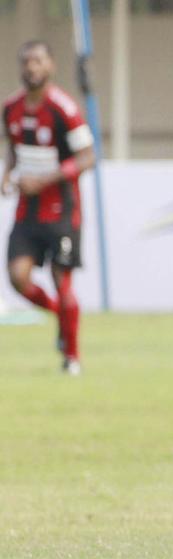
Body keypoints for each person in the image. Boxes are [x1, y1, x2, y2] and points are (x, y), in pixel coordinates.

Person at [2, 40, 95, 375]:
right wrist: (8, 173)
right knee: (17, 277)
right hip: (27, 210)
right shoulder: (10, 108)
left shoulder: (64, 109)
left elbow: (87, 157)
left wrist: (44, 181)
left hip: (61, 211)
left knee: (62, 279)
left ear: (51, 66)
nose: (32, 68)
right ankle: (61, 315)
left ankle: (71, 357)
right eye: (27, 62)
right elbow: (14, 149)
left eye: (38, 61)